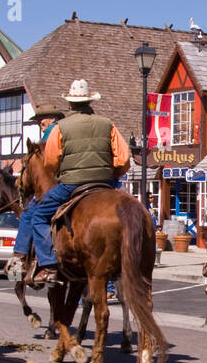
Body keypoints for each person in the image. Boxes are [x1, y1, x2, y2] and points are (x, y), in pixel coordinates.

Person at [8, 80, 130, 288]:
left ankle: (47, 265)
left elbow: (52, 160)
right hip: (106, 183)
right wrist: (111, 175)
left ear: (71, 104)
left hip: (72, 184)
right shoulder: (108, 124)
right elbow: (123, 159)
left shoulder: (61, 128)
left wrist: (63, 173)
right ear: (90, 102)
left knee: (37, 216)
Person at [9, 109, 66, 267]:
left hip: (57, 185)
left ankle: (18, 262)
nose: (40, 124)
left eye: (42, 120)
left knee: (29, 215)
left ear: (52, 118)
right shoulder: (65, 130)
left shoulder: (50, 133)